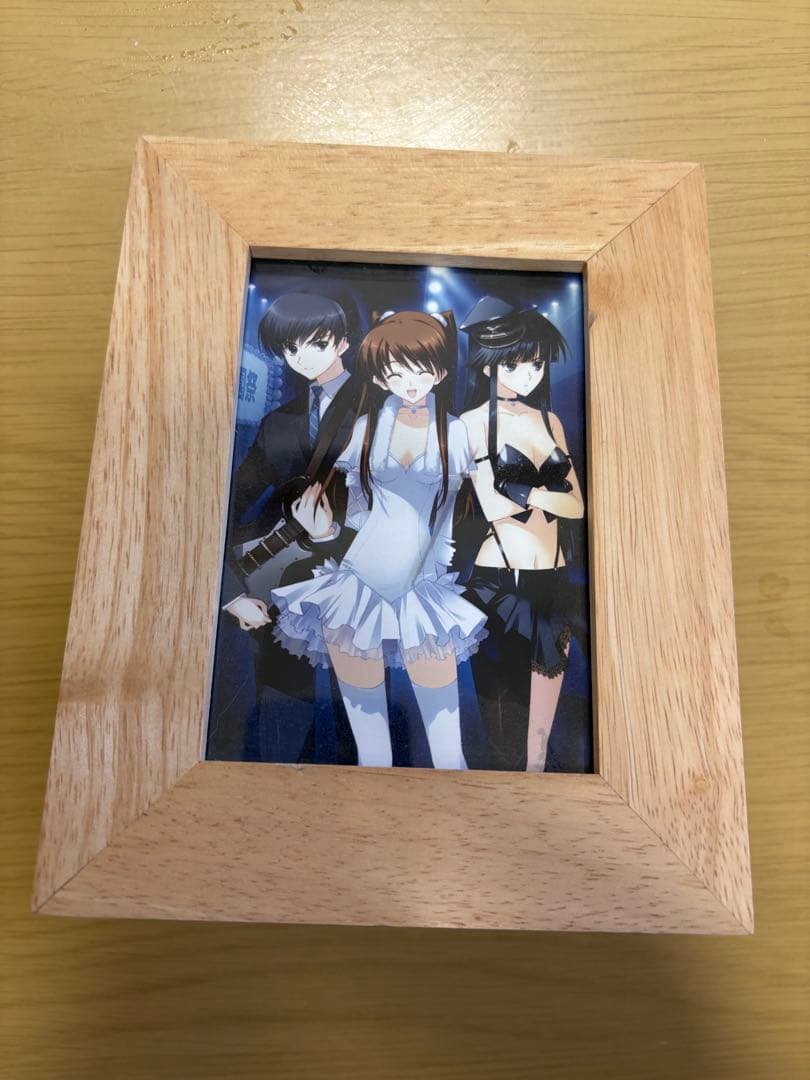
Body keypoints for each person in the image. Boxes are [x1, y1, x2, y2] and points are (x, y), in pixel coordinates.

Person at [269, 310, 486, 769]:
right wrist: (325, 532)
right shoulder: (367, 428)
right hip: (357, 584)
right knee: (372, 755)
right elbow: (357, 516)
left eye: (421, 372)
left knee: (449, 753)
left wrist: (438, 572)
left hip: (423, 587)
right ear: (381, 376)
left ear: (439, 372)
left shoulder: (455, 430)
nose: (410, 384)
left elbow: (449, 517)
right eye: (396, 373)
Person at [219, 292, 360, 763]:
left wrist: (330, 536)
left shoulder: (384, 408)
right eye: (290, 348)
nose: (302, 357)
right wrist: (231, 592)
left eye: (316, 343)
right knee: (280, 716)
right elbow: (226, 508)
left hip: (359, 586)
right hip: (278, 583)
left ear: (343, 342)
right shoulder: (277, 423)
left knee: (359, 718)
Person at [458, 296, 586, 772]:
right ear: (487, 364)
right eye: (513, 364)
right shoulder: (471, 423)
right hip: (498, 580)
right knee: (501, 724)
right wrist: (546, 494)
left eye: (536, 364)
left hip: (552, 580)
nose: (528, 375)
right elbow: (493, 506)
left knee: (539, 739)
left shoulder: (551, 421)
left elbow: (576, 505)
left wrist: (525, 493)